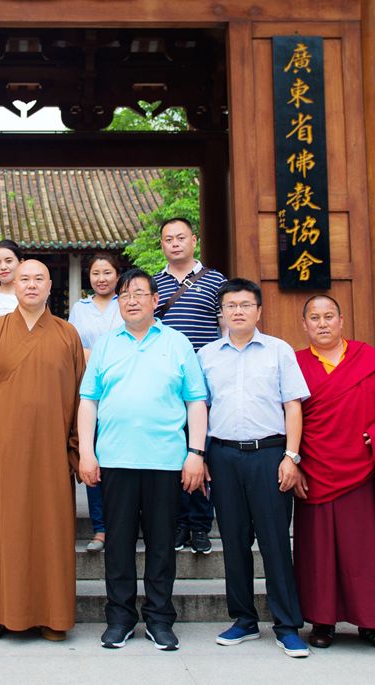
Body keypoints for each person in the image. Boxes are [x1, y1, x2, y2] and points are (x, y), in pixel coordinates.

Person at [78, 268, 208, 652]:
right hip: (115, 459)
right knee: (117, 544)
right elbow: (89, 401)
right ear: (118, 303)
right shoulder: (105, 345)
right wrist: (88, 451)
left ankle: (159, 618)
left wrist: (195, 453)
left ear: (155, 300)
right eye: (125, 294)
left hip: (166, 461)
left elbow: (195, 401)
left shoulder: (177, 342)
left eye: (139, 293)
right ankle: (119, 618)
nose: (131, 299)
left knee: (162, 544)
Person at [0, 259, 85, 643]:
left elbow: (83, 398)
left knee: (52, 532)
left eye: (39, 279)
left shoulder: (67, 335)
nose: (31, 285)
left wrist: (76, 451)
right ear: (13, 286)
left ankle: (52, 614)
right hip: (4, 453)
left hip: (51, 453)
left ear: (51, 287)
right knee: (2, 532)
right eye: (24, 279)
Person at [197, 279, 311, 658]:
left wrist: (291, 457)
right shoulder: (207, 355)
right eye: (231, 306)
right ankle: (243, 619)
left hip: (269, 455)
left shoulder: (279, 352)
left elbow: (293, 405)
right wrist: (201, 454)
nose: (238, 311)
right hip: (224, 456)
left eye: (246, 305)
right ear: (222, 313)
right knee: (233, 541)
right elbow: (201, 409)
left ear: (259, 311)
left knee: (275, 541)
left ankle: (287, 624)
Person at [293, 295, 375, 650]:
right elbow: (285, 416)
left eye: (329, 316)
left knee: (365, 549)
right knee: (318, 550)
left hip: (361, 468)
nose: (323, 323)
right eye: (315, 317)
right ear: (305, 324)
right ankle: (322, 621)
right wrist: (293, 461)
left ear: (342, 320)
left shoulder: (369, 359)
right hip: (315, 469)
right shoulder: (295, 364)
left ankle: (372, 623)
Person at [152, 217, 227, 555]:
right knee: (172, 450)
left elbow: (225, 326)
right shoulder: (154, 285)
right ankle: (179, 521)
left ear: (194, 239)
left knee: (200, 451)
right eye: (169, 239)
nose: (175, 243)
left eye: (181, 237)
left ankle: (200, 524)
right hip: (167, 381)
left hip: (205, 379)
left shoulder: (215, 280)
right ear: (162, 245)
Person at [68, 253, 124, 553]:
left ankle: (125, 524)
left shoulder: (126, 302)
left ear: (117, 275)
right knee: (92, 454)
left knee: (123, 460)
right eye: (95, 273)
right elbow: (75, 348)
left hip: (126, 390)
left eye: (107, 272)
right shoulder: (80, 308)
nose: (101, 278)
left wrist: (96, 356)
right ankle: (100, 528)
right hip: (90, 391)